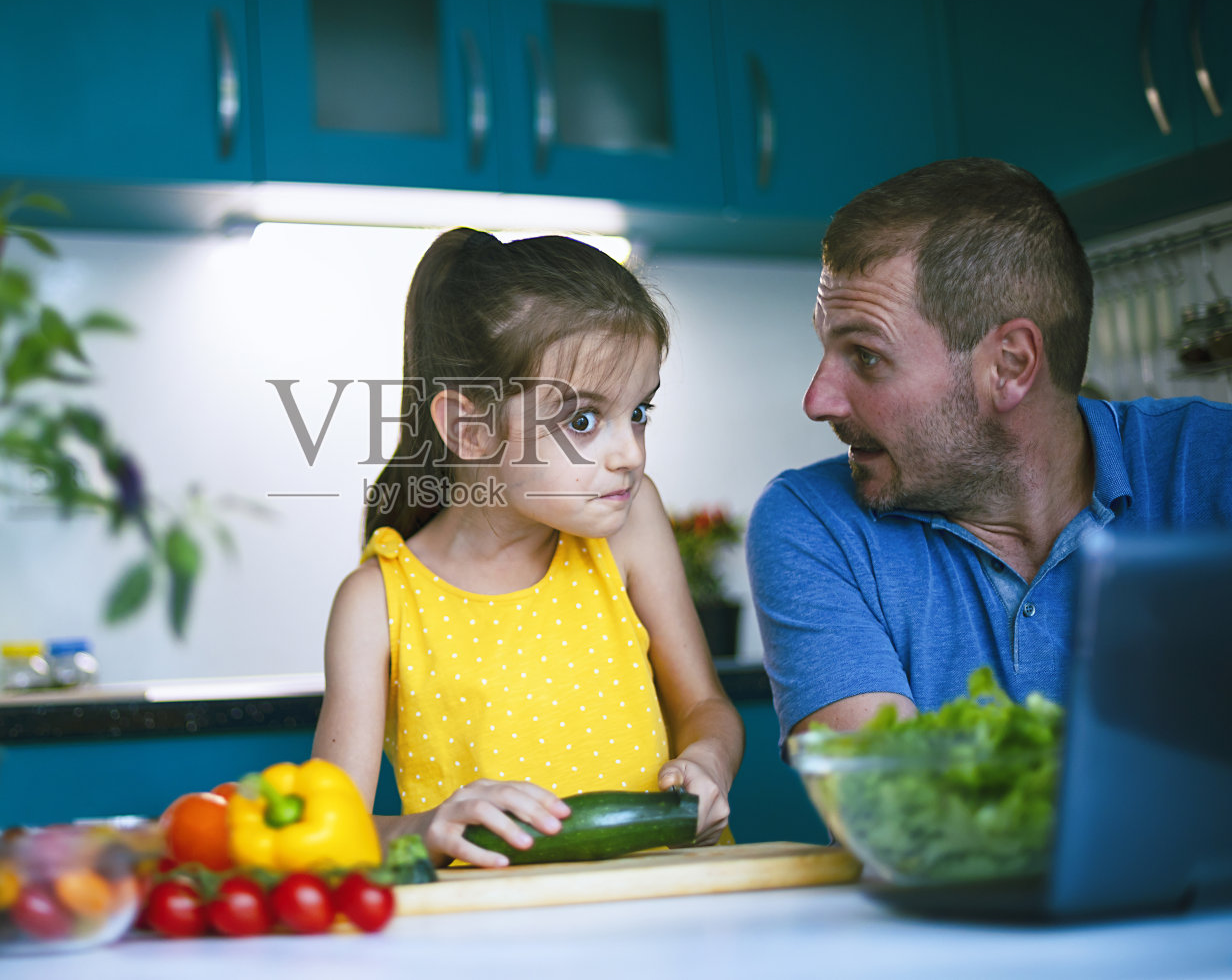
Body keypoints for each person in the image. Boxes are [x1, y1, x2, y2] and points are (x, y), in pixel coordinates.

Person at [747, 157, 1232, 751]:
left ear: (1010, 366)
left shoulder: (1214, 464)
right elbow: (894, 796)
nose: (817, 401)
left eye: (866, 356)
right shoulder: (815, 521)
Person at [313, 228, 743, 867]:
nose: (630, 453)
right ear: (471, 428)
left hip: (670, 901)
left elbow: (705, 705)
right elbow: (329, 831)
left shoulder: (629, 526)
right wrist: (428, 829)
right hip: (496, 926)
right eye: (582, 420)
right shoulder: (377, 601)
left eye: (639, 413)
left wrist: (708, 759)